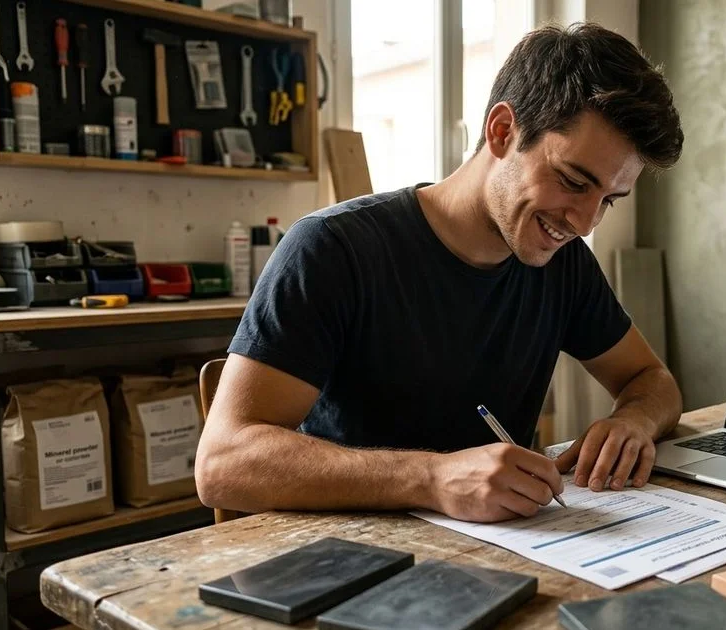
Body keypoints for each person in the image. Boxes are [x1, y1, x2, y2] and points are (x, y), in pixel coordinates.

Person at [195, 23, 685, 523]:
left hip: (506, 550)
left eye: (608, 200)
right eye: (572, 181)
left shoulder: (563, 264)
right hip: (350, 558)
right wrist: (430, 478)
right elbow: (222, 463)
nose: (584, 223)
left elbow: (653, 380)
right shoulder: (334, 249)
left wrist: (633, 421)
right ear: (501, 132)